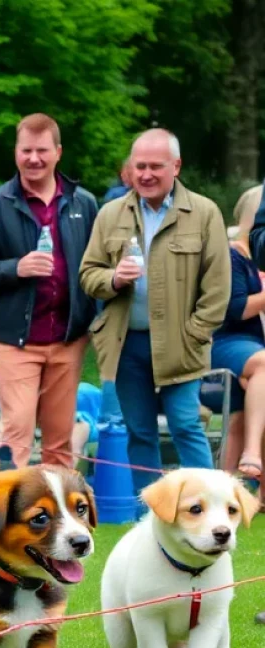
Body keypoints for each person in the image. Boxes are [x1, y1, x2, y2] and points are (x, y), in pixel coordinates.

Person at [80, 129, 231, 494]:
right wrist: (114, 278)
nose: (145, 174)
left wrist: (195, 333)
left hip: (182, 345)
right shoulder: (110, 214)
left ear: (176, 166)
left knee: (185, 426)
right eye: (139, 166)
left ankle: (208, 509)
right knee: (140, 432)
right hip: (126, 344)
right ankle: (151, 520)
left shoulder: (204, 212)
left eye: (155, 166)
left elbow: (218, 288)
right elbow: (88, 274)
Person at [0, 113, 98, 470]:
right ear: (16, 153)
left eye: (42, 150)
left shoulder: (83, 203)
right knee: (14, 437)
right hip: (15, 340)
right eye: (26, 150)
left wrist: (91, 322)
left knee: (59, 442)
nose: (34, 158)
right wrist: (16, 268)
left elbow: (95, 267)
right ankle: (5, 519)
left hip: (68, 339)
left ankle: (59, 521)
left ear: (58, 152)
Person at [210, 185, 265, 477]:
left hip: (252, 346)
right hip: (226, 342)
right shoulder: (232, 256)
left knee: (242, 416)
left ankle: (231, 485)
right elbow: (235, 309)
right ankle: (252, 452)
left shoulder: (257, 259)